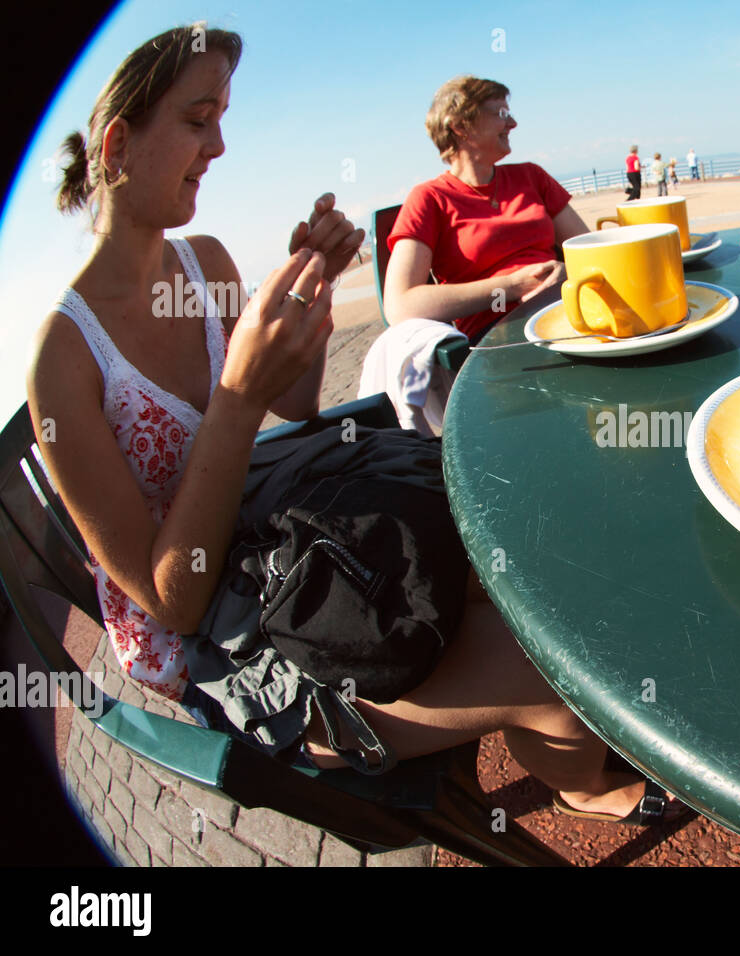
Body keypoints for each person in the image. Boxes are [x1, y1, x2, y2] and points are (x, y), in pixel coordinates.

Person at [28, 29, 678, 825]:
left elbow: (298, 404)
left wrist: (309, 299)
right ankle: (587, 791)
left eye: (222, 117)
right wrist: (235, 398)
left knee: (527, 580)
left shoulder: (204, 261)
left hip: (291, 540)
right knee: (545, 674)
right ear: (119, 141)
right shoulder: (64, 359)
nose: (220, 144)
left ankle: (557, 733)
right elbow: (175, 602)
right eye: (199, 119)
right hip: (230, 640)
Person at [382, 76, 592, 343]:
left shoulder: (531, 177)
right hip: (498, 332)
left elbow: (587, 250)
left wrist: (565, 270)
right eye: (502, 114)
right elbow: (401, 305)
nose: (513, 124)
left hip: (567, 308)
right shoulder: (430, 198)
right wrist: (512, 287)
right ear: (460, 126)